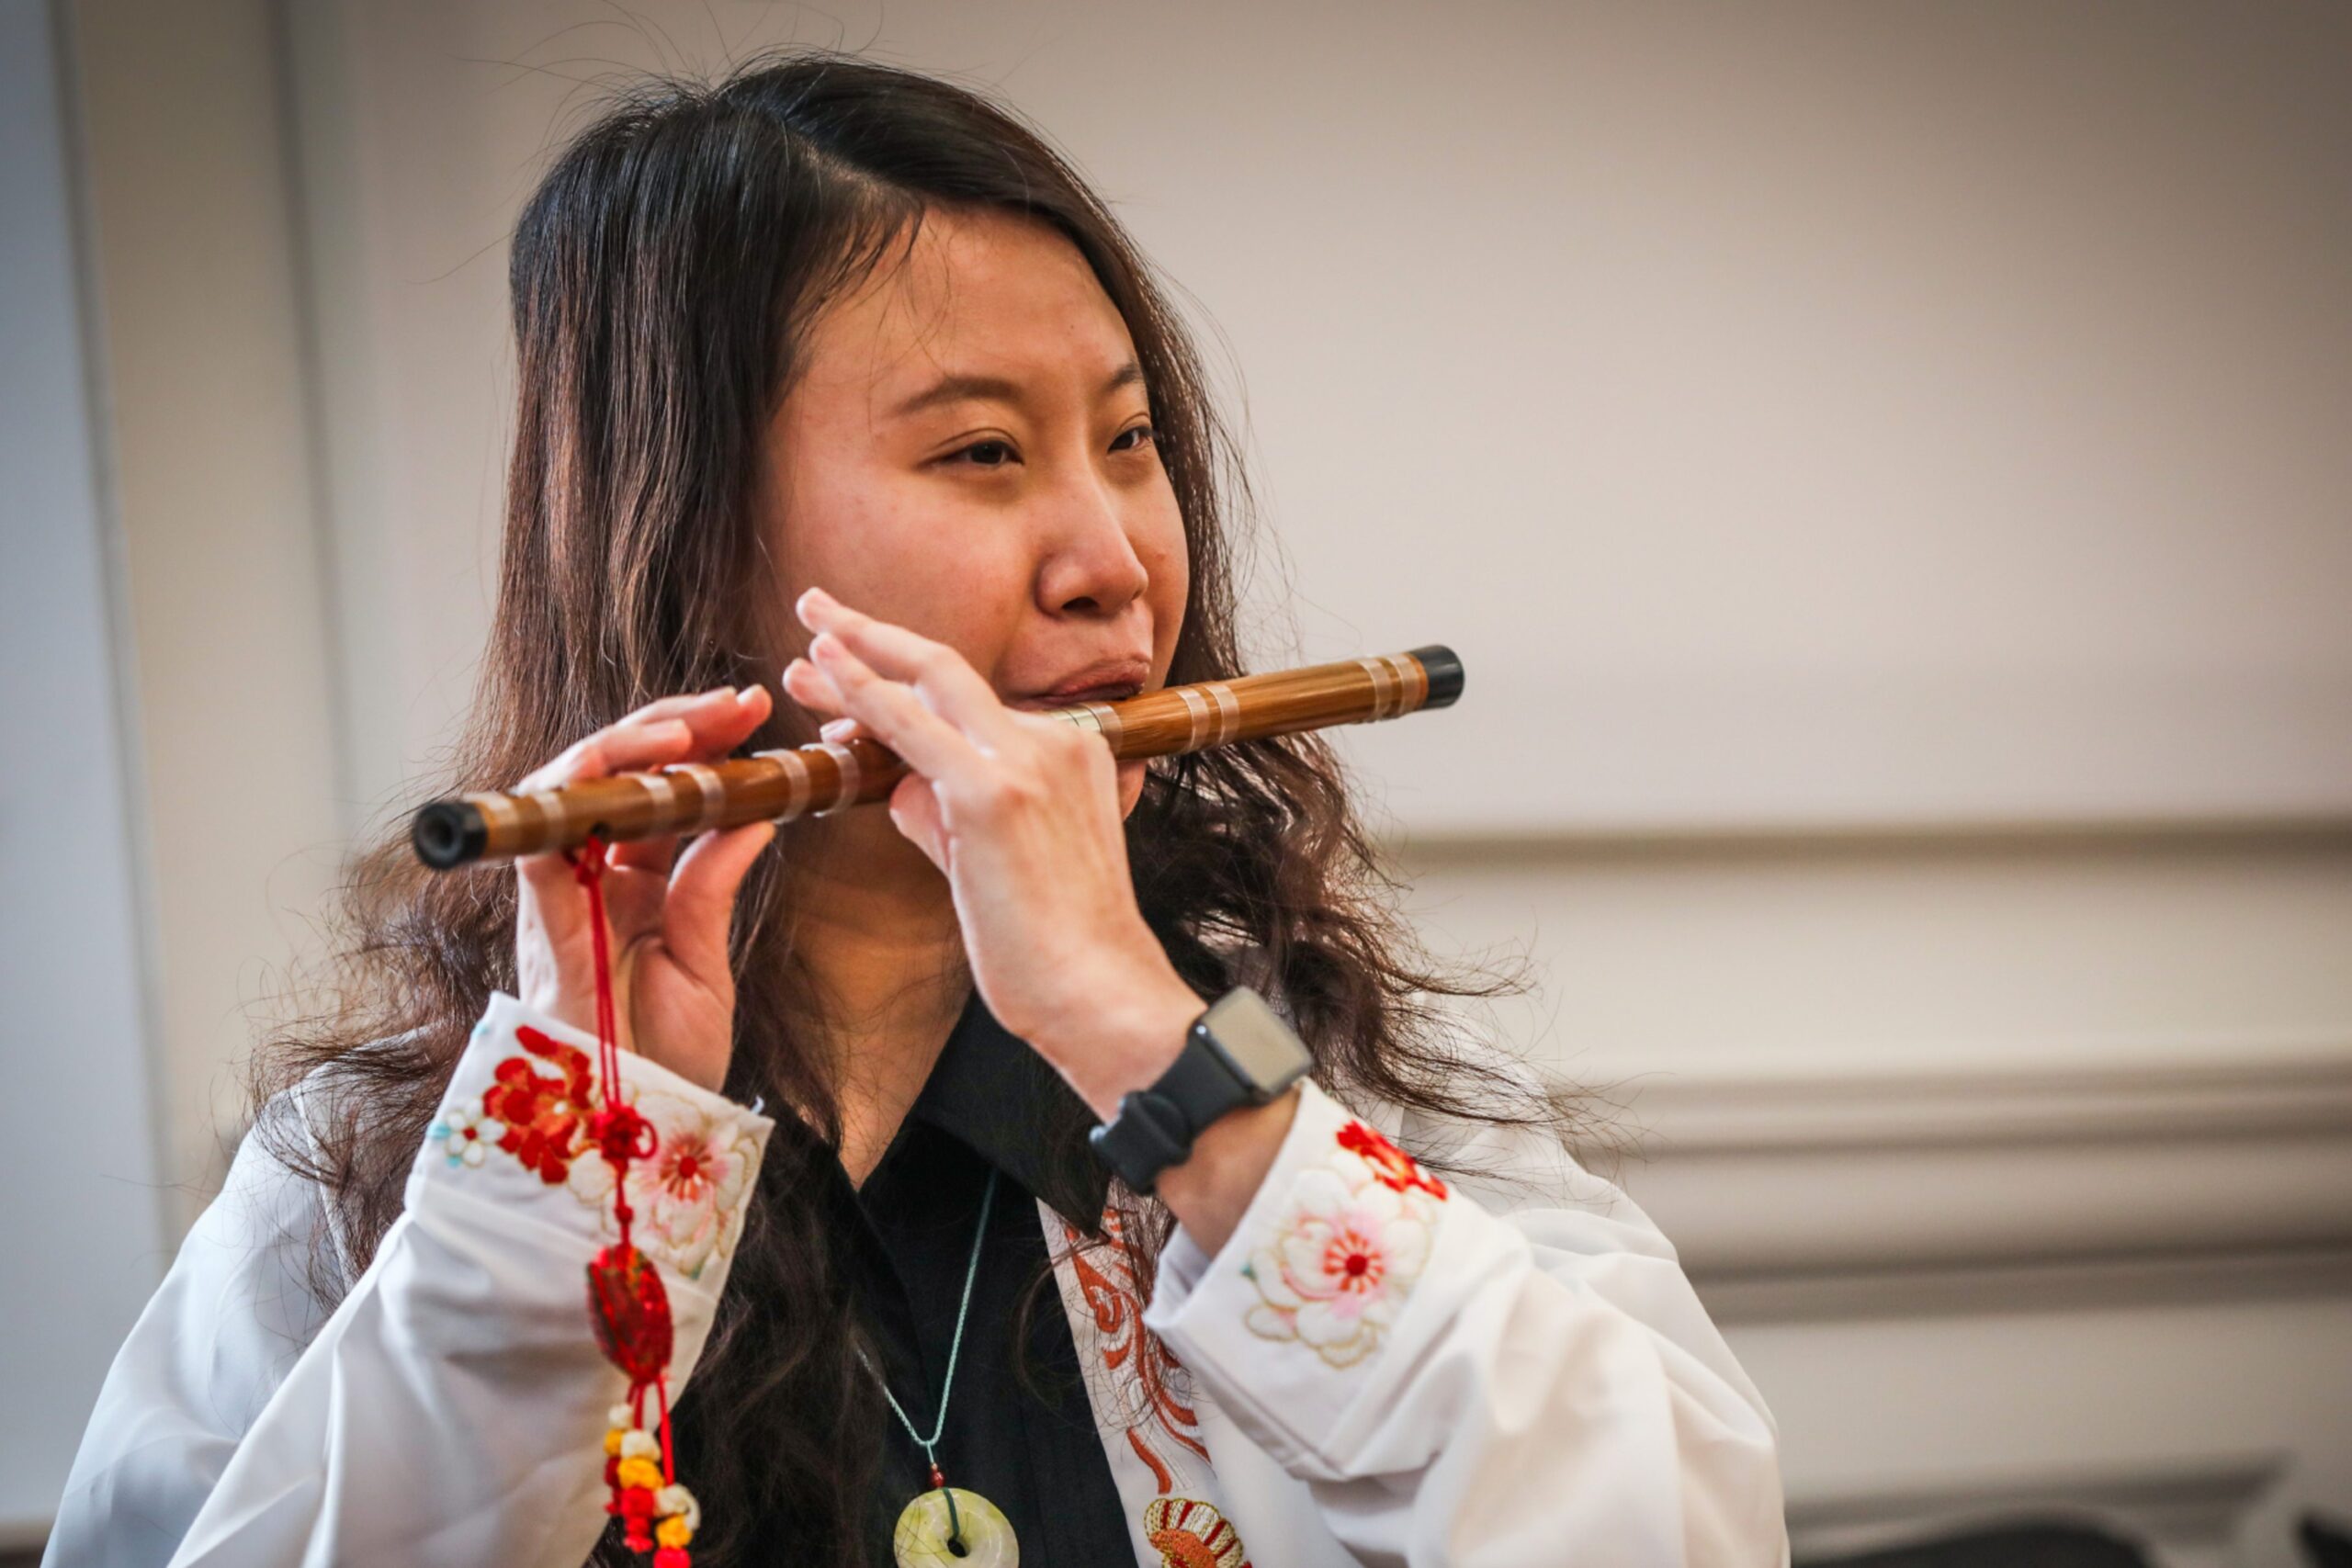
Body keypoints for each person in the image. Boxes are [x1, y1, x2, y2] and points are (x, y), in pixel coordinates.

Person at [45, 51, 1786, 1568]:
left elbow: (1684, 1539)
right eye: (981, 456)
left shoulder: (1334, 1071)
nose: (1115, 564)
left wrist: (1144, 1041)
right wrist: (564, 1196)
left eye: (1128, 442)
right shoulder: (356, 1177)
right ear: (690, 527)